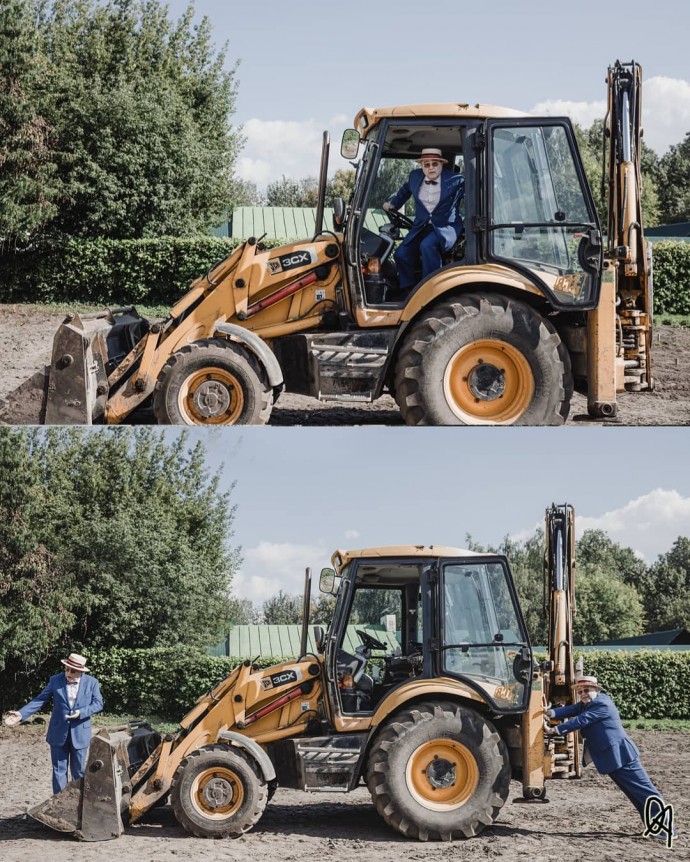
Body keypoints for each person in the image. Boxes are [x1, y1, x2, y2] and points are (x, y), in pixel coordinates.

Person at [544, 675, 676, 842]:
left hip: (622, 756)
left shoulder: (602, 704)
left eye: (587, 690)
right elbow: (572, 709)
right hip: (612, 758)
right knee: (635, 795)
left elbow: (581, 720)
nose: (583, 694)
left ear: (596, 690)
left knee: (645, 792)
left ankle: (666, 830)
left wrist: (554, 730)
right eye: (581, 691)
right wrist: (550, 712)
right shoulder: (588, 703)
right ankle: (655, 827)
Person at [3, 652, 103, 794]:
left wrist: (81, 713)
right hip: (58, 733)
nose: (68, 673)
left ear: (81, 671)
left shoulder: (92, 683)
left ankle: (80, 804)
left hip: (80, 733)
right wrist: (21, 714)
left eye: (72, 670)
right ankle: (59, 804)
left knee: (79, 771)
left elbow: (98, 704)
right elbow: (40, 699)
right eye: (66, 669)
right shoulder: (55, 680)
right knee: (58, 771)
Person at [383, 147, 464, 292]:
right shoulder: (415, 177)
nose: (431, 167)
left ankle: (430, 289)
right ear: (422, 166)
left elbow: (474, 192)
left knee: (427, 246)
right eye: (427, 164)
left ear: (441, 164)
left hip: (445, 227)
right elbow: (405, 190)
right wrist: (393, 204)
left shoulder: (455, 180)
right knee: (400, 254)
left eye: (435, 164)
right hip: (421, 226)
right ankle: (408, 289)